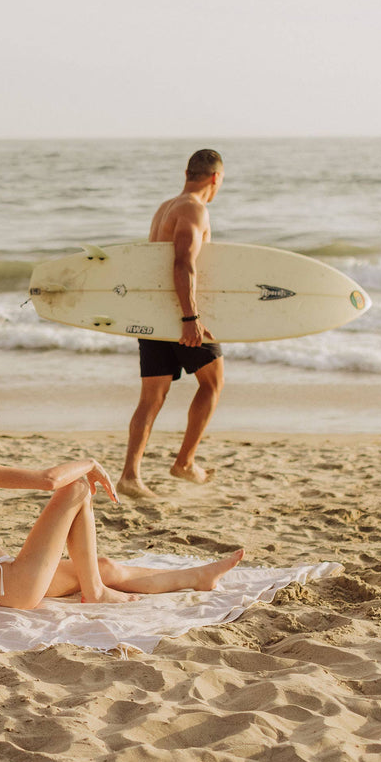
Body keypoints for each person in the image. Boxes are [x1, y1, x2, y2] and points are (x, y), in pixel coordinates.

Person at [0, 367, 243, 609]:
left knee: (103, 564)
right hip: (7, 586)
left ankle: (197, 577)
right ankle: (95, 591)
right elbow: (48, 481)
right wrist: (91, 464)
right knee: (76, 487)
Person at [118, 149, 226, 500]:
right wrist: (191, 318)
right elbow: (183, 264)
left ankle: (130, 476)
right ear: (215, 178)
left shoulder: (165, 206)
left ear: (187, 172)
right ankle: (185, 462)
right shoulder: (194, 209)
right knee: (212, 384)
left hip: (154, 314)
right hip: (180, 315)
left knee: (151, 398)